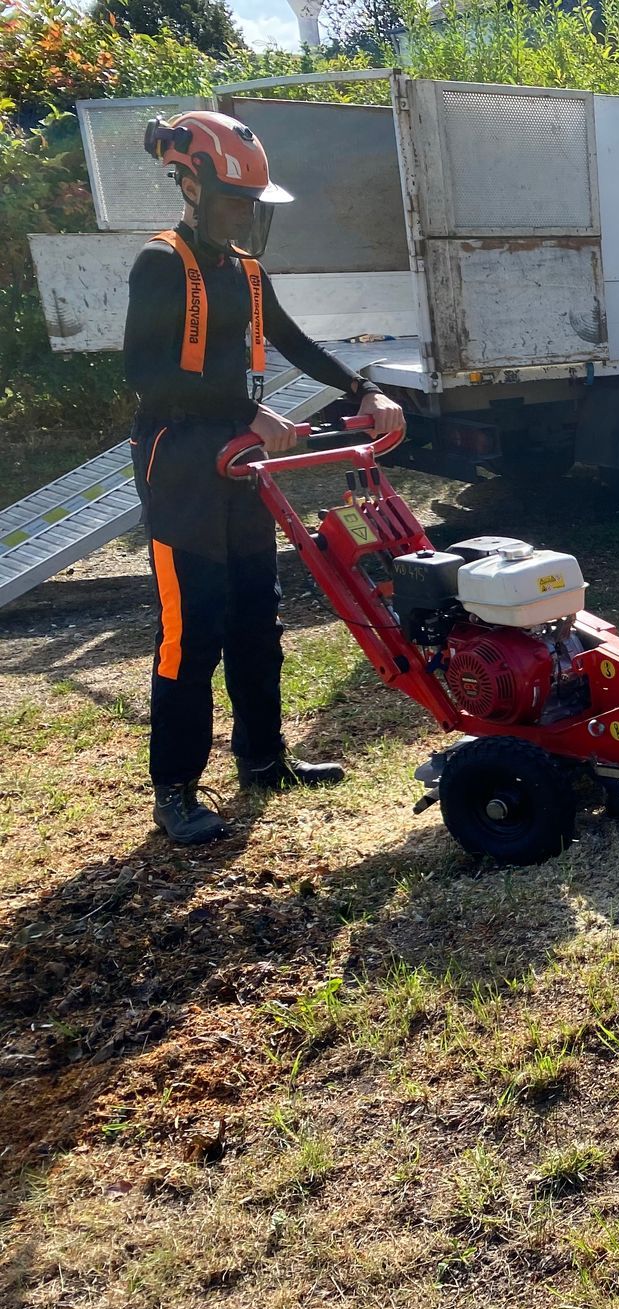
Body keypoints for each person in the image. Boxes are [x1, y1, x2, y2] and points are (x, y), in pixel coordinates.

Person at [126, 111, 404, 845]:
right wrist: (245, 412)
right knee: (192, 630)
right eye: (232, 203)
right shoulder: (160, 264)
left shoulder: (247, 272)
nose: (243, 217)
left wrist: (364, 390)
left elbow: (293, 341)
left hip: (241, 461)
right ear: (190, 186)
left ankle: (263, 759)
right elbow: (144, 372)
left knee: (256, 615)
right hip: (179, 461)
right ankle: (176, 790)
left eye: (251, 205)